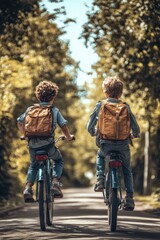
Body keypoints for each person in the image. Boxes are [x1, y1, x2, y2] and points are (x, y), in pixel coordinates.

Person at [87, 76, 140, 210]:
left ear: (105, 92)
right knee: (127, 170)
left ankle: (100, 179)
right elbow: (135, 127)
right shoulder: (125, 106)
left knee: (100, 156)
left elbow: (90, 126)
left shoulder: (100, 105)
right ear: (120, 93)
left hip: (105, 143)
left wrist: (93, 132)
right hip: (123, 144)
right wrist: (135, 134)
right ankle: (129, 198)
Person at [17, 80, 74, 201]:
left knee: (33, 165)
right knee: (58, 160)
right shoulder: (54, 110)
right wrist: (68, 137)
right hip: (48, 145)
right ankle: (54, 183)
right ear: (52, 97)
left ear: (38, 96)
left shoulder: (30, 110)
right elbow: (63, 125)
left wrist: (26, 134)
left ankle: (28, 188)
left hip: (32, 145)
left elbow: (19, 121)